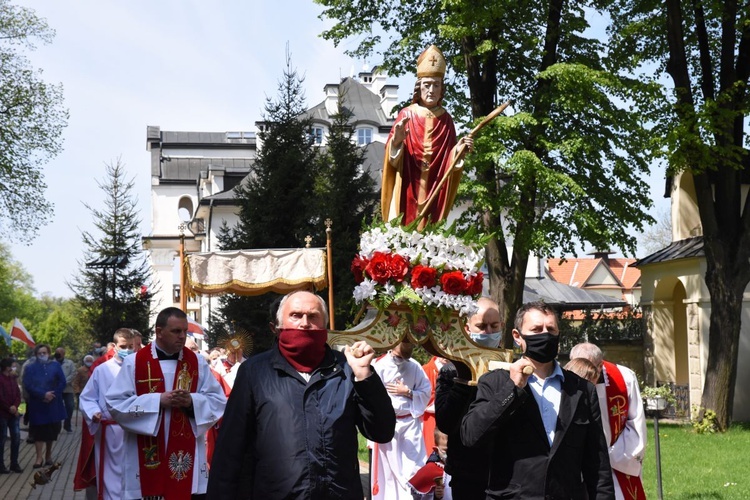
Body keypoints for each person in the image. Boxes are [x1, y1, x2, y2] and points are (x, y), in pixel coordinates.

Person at [207, 290, 396, 499]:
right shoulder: (254, 371)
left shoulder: (346, 368)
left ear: (324, 325)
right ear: (277, 327)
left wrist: (365, 377)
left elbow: (382, 431)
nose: (305, 323)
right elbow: (231, 449)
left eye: (313, 316)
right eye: (296, 315)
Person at [461, 302, 614, 498]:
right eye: (536, 329)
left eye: (550, 329)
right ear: (518, 337)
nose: (545, 335)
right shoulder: (496, 382)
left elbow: (598, 464)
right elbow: (472, 435)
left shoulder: (582, 390)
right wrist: (513, 389)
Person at [105, 307, 226, 499]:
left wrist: (191, 402)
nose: (182, 336)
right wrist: (158, 400)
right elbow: (115, 403)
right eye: (176, 331)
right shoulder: (135, 362)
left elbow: (218, 401)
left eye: (184, 331)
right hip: (146, 450)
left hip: (186, 453)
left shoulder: (197, 362)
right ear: (159, 332)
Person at [381, 45, 473, 228]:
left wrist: (459, 150)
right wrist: (397, 141)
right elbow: (391, 160)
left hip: (434, 188)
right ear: (419, 88)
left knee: (431, 227)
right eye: (427, 85)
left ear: (441, 89)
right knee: (406, 225)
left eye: (436, 85)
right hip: (409, 185)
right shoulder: (406, 115)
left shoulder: (446, 120)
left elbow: (449, 160)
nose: (431, 90)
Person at [434, 297, 503, 499]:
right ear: (467, 328)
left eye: (494, 326)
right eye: (481, 326)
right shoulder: (451, 371)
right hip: (467, 472)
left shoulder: (513, 369)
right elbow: (446, 422)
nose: (488, 332)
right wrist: (463, 380)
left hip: (505, 471)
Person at [570, 342, 647, 500]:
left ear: (600, 366)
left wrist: (605, 457)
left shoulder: (624, 379)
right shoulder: (566, 378)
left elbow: (636, 425)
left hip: (614, 464)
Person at [371, 340, 432, 500]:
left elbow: (426, 390)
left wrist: (408, 392)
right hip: (388, 424)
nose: (402, 360)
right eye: (399, 355)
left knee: (413, 466)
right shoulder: (379, 366)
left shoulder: (415, 366)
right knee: (390, 469)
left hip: (410, 423)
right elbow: (372, 394)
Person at [79, 328, 135, 500]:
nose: (128, 350)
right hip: (109, 431)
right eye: (124, 346)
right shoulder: (102, 370)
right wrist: (94, 412)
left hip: (135, 429)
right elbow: (87, 397)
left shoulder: (140, 368)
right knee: (110, 473)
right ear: (115, 346)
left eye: (131, 346)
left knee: (133, 471)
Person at [22, 343, 67, 468]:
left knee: (51, 432)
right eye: (40, 353)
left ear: (48, 353)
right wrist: (43, 394)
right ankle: (38, 458)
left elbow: (62, 382)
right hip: (38, 404)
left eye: (44, 353)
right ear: (36, 355)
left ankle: (48, 456)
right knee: (39, 432)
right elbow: (28, 384)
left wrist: (53, 394)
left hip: (53, 404)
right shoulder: (30, 368)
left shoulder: (56, 366)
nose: (42, 355)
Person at [408, 428, 452, 500]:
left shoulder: (463, 467)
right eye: (445, 450)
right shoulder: (431, 469)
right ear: (436, 450)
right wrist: (435, 495)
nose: (449, 453)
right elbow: (418, 496)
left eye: (452, 449)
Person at [0, 358, 23, 473]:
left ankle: (14, 463)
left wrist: (15, 405)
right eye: (13, 366)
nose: (14, 368)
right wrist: (9, 407)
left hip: (13, 414)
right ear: (7, 367)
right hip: (3, 413)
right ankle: (1, 465)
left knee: (16, 437)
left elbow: (18, 394)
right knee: (2, 438)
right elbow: (1, 397)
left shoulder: (13, 379)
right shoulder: (1, 379)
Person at [54, 347, 76, 432]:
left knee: (70, 407)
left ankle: (67, 425)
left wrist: (64, 382)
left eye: (60, 352)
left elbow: (73, 373)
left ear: (64, 354)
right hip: (57, 389)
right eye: (57, 352)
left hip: (68, 389)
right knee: (57, 408)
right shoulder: (52, 363)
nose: (58, 354)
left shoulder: (69, 363)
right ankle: (57, 426)